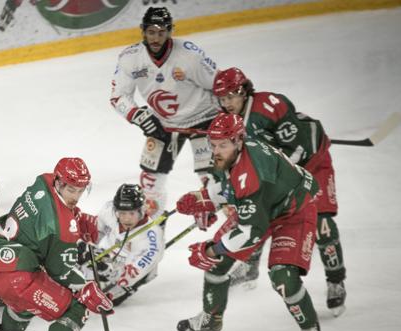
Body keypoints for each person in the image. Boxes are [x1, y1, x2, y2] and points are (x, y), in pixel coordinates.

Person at [173, 113, 323, 331]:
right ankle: (211, 320)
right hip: (264, 205)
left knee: (283, 278)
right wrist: (204, 199)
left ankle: (310, 328)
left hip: (294, 211)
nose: (216, 151)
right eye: (213, 144)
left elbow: (251, 231)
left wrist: (210, 249)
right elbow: (230, 186)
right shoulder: (235, 152)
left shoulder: (251, 174)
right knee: (218, 264)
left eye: (222, 145)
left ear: (238, 140)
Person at [213, 67, 347, 315]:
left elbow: (299, 148)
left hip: (312, 163)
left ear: (244, 91)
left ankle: (335, 279)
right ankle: (250, 266)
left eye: (231, 96)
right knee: (256, 212)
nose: (227, 103)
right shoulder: (227, 120)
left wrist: (271, 181)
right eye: (222, 98)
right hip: (278, 171)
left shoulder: (269, 106)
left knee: (322, 222)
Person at [0, 157, 114, 331]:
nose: (76, 196)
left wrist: (77, 219)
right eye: (72, 190)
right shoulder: (61, 226)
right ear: (59, 183)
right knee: (75, 307)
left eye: (80, 190)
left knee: (31, 292)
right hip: (15, 276)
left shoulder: (43, 181)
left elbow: (52, 215)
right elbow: (61, 272)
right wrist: (86, 288)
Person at [109, 6, 220, 215]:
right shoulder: (130, 58)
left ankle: (225, 214)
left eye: (161, 32)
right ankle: (153, 226)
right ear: (143, 31)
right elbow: (118, 96)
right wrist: (139, 116)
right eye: (151, 32)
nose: (156, 38)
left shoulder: (189, 54)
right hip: (164, 124)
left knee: (213, 178)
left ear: (170, 31)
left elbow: (218, 84)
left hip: (204, 118)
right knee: (150, 183)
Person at [81, 183, 164, 307]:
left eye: (132, 213)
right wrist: (88, 248)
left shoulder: (151, 238)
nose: (126, 219)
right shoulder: (108, 211)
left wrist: (109, 272)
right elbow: (95, 232)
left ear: (141, 211)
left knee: (107, 300)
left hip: (134, 270)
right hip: (110, 257)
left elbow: (130, 275)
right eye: (122, 213)